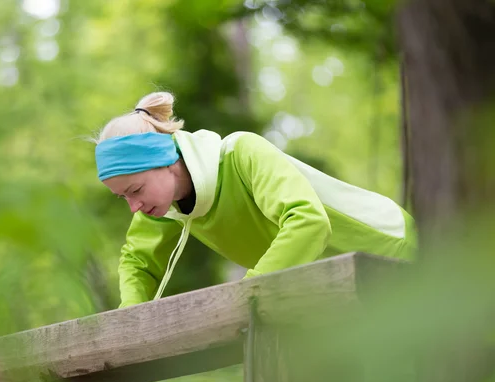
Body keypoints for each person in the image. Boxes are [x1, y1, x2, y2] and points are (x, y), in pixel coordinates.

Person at [93, 92, 417, 309]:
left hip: (396, 250)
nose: (133, 207)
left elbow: (309, 222)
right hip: (337, 290)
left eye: (134, 190)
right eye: (123, 197)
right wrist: (131, 318)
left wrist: (246, 295)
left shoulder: (240, 153)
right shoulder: (161, 206)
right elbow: (138, 262)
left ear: (164, 159)